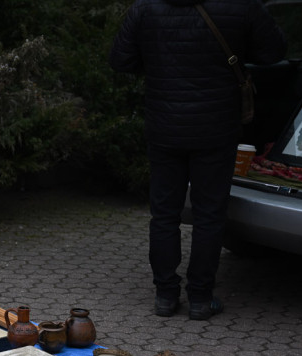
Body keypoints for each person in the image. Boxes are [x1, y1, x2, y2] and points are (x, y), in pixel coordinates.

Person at [109, 0, 286, 320]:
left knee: (164, 214)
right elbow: (273, 53)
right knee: (210, 215)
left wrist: (160, 66)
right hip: (217, 128)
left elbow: (121, 60)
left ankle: (165, 296)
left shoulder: (145, 8)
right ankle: (201, 299)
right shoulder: (242, 6)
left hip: (164, 126)